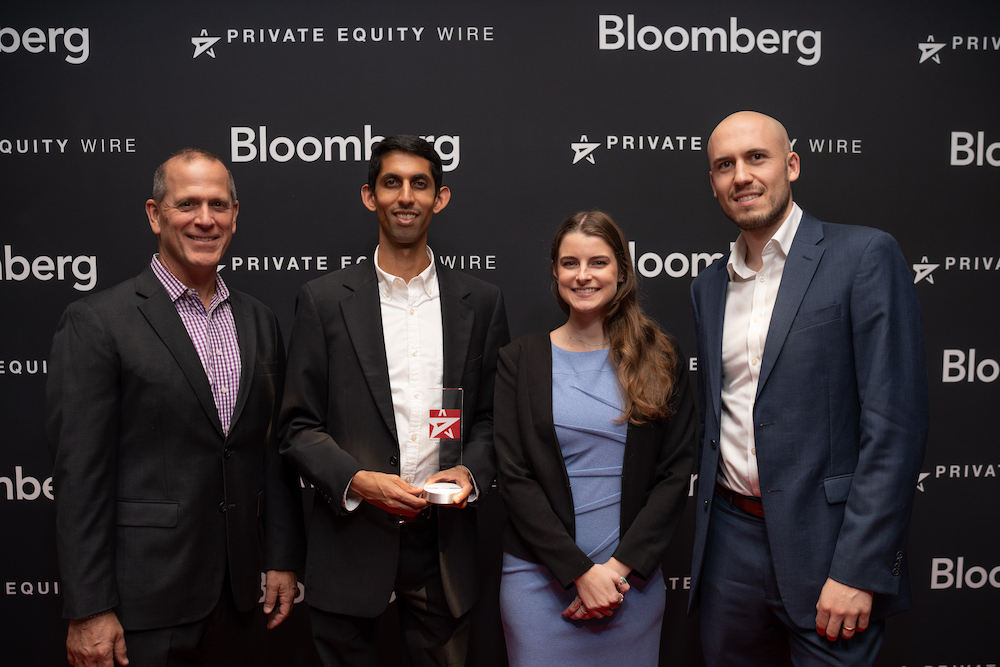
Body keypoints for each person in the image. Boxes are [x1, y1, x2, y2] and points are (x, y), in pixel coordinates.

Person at [46, 148, 306, 667]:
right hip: (142, 603)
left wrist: (280, 557)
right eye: (187, 204)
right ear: (154, 214)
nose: (205, 219)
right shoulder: (97, 321)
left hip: (240, 597)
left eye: (218, 205)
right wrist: (90, 607)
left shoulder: (258, 319)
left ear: (235, 215)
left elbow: (270, 452)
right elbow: (81, 476)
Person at [687, 111, 929, 665]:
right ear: (713, 183)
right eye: (724, 165)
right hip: (728, 541)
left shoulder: (863, 256)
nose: (741, 176)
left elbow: (895, 427)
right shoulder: (708, 287)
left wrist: (860, 569)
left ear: (791, 165)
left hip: (829, 548)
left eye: (757, 157)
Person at [279, 135, 510, 667]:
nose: (406, 197)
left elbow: (491, 417)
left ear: (439, 198)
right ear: (370, 196)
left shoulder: (482, 302)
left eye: (419, 184)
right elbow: (297, 426)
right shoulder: (323, 301)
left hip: (443, 548)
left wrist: (469, 472)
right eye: (392, 183)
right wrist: (357, 480)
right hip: (351, 538)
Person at [494, 211, 698, 666]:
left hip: (631, 584)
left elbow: (675, 475)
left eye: (598, 262)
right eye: (570, 263)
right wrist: (580, 574)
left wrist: (615, 573)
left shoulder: (661, 357)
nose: (583, 275)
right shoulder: (518, 361)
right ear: (555, 271)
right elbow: (514, 477)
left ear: (621, 271)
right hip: (538, 583)